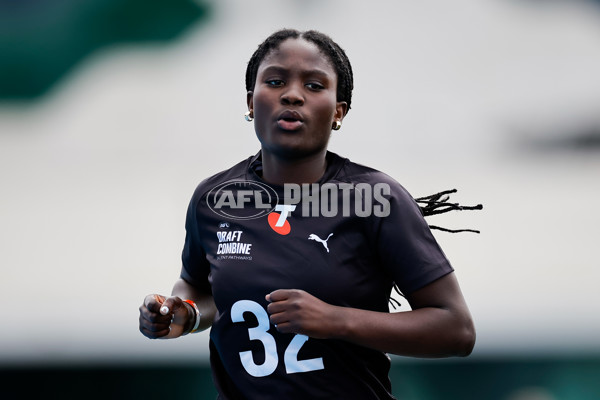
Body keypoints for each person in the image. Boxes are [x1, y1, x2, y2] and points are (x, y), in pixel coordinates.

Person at [139, 29, 476, 399]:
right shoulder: (213, 198)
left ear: (338, 112)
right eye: (275, 81)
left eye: (315, 86)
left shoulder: (376, 197)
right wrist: (183, 314)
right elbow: (199, 288)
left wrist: (336, 320)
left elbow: (456, 330)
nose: (292, 94)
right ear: (251, 102)